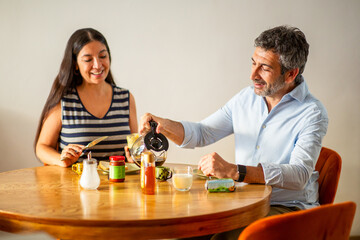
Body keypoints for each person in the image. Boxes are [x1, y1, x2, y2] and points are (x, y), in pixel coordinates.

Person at [138, 25, 328, 239]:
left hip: (287, 208)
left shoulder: (312, 113)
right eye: (253, 63)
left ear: (290, 74)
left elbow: (300, 175)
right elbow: (203, 132)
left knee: (220, 236)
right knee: (186, 230)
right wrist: (162, 124)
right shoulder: (246, 98)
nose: (252, 74)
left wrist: (236, 171)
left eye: (264, 68)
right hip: (245, 200)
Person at [35, 28, 138, 167]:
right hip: (74, 186)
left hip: (119, 185)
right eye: (88, 59)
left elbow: (135, 146)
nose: (97, 65)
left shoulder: (125, 98)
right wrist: (62, 160)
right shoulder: (64, 101)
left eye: (103, 56)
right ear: (76, 65)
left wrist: (136, 155)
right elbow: (42, 148)